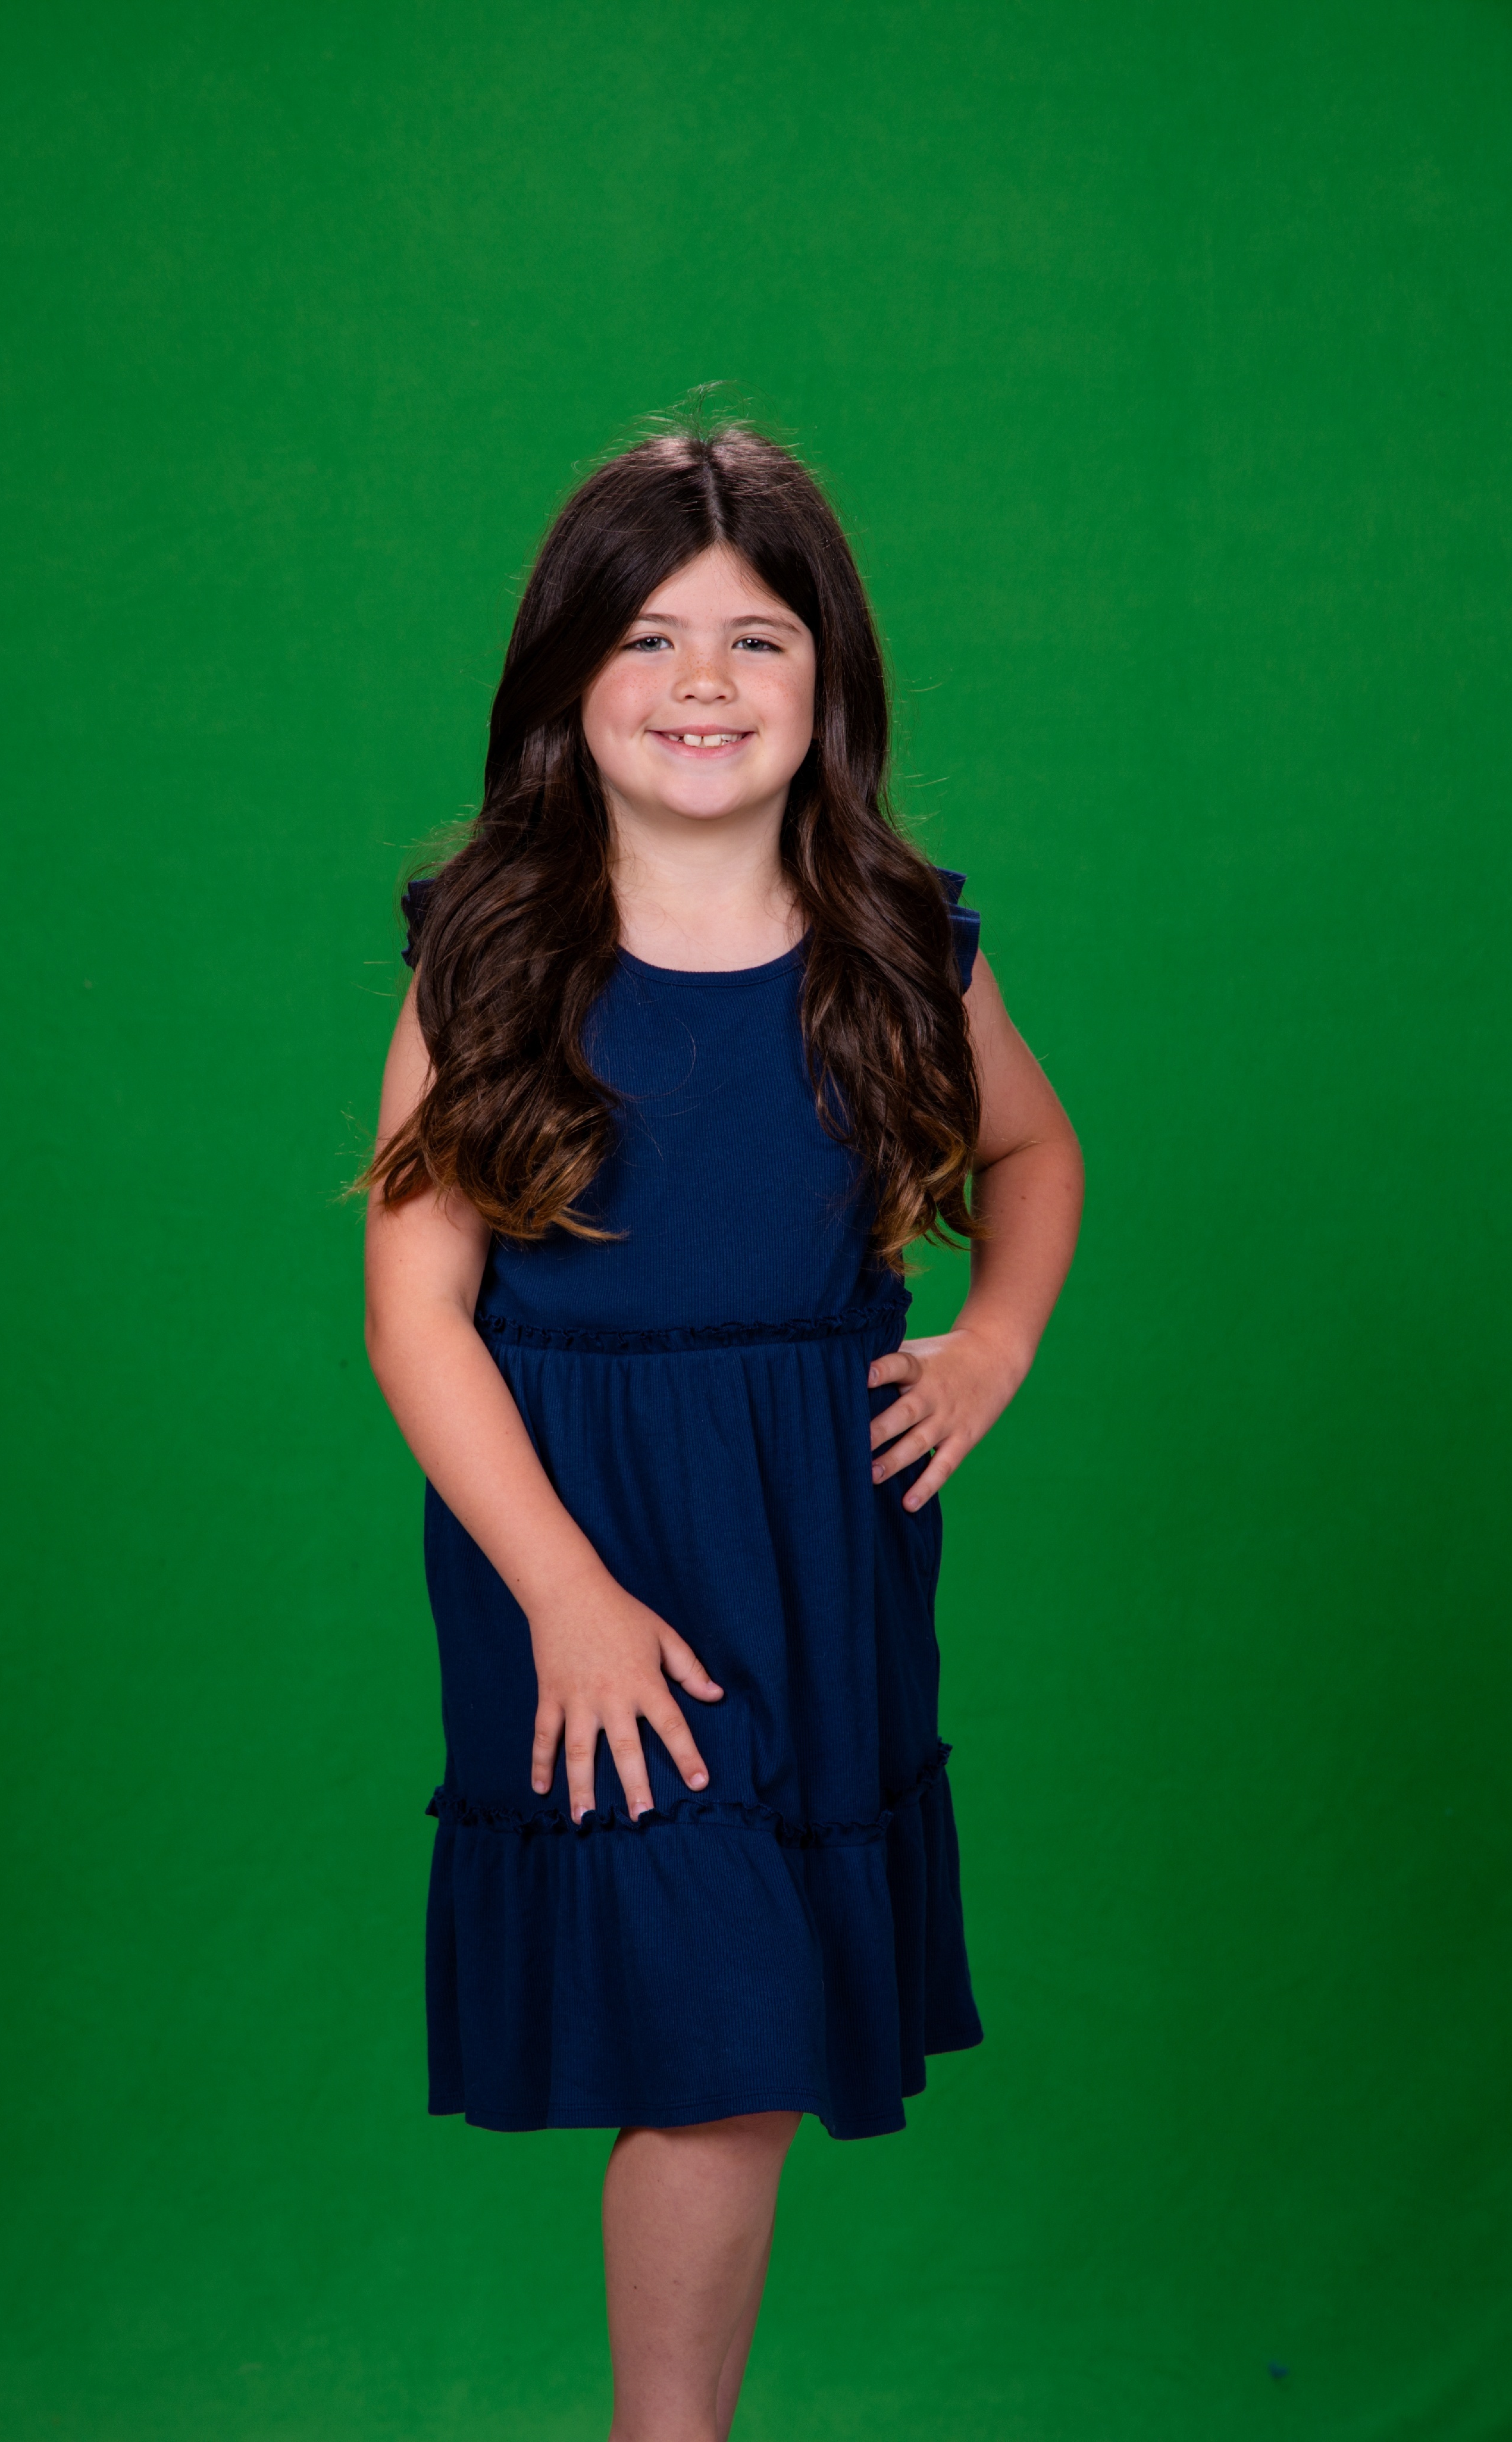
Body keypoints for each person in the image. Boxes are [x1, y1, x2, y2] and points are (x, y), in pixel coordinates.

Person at [362, 419, 1084, 2442]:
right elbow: (415, 1318)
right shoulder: (491, 955)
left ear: (827, 680)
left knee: (745, 2055)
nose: (704, 683)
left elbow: (1035, 1154)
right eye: (652, 639)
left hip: (813, 1555)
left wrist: (990, 1347)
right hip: (578, 1555)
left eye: (756, 639)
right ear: (567, 683)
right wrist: (566, 1600)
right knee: (723, 2037)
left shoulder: (903, 941)